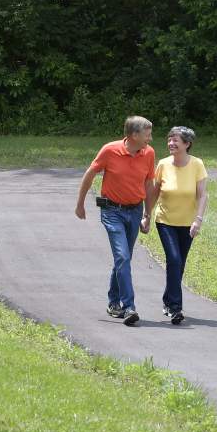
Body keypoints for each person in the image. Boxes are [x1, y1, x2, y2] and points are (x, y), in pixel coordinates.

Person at [75, 116, 156, 326]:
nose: (150, 138)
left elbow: (148, 184)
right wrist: (80, 203)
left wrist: (148, 214)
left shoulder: (148, 153)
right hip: (112, 211)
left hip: (135, 210)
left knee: (124, 258)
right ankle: (129, 307)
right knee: (122, 256)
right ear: (133, 135)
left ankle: (113, 303)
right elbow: (90, 173)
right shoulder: (110, 150)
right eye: (147, 134)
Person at [141, 126, 208, 325]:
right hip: (166, 221)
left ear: (187, 144)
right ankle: (176, 308)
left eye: (175, 140)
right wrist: (146, 215)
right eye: (169, 139)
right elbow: (153, 193)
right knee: (174, 260)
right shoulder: (162, 164)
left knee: (179, 265)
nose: (171, 143)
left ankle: (168, 300)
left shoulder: (197, 165)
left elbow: (203, 195)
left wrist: (198, 220)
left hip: (188, 224)